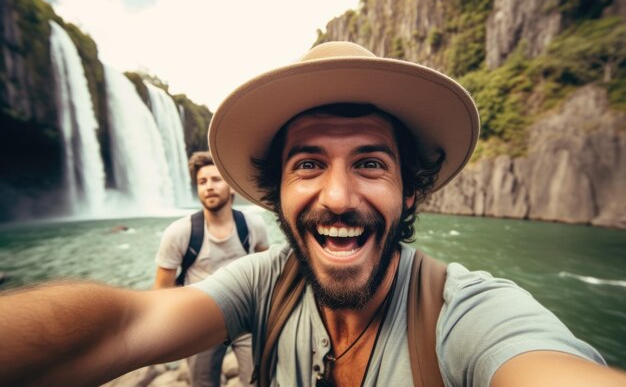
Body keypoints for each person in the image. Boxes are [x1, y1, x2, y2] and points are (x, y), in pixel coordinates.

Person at [1, 41, 625, 387]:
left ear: (411, 193)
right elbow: (121, 326)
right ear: (276, 193)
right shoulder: (265, 281)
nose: (336, 195)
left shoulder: (468, 314)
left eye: (372, 164)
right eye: (307, 164)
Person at [152, 151, 269, 387]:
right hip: (200, 320)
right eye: (202, 182)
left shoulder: (252, 225)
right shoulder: (180, 232)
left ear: (232, 187)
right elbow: (160, 291)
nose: (209, 187)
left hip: (247, 316)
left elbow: (268, 272)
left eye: (216, 180)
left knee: (258, 380)